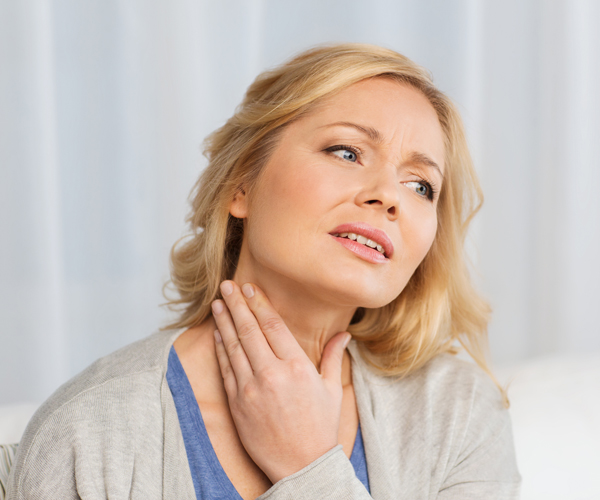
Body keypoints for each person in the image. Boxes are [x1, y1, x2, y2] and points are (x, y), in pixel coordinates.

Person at [7, 43, 521, 499]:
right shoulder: (91, 430)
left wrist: (308, 466)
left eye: (420, 185)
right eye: (347, 152)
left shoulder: (457, 414)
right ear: (241, 186)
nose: (389, 196)